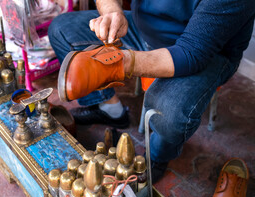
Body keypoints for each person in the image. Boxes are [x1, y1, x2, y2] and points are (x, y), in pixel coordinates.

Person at [48, 0, 254, 181]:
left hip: (205, 52)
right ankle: (111, 110)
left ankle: (156, 156)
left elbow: (192, 53)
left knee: (167, 109)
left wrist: (119, 64)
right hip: (145, 31)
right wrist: (112, 11)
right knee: (61, 29)